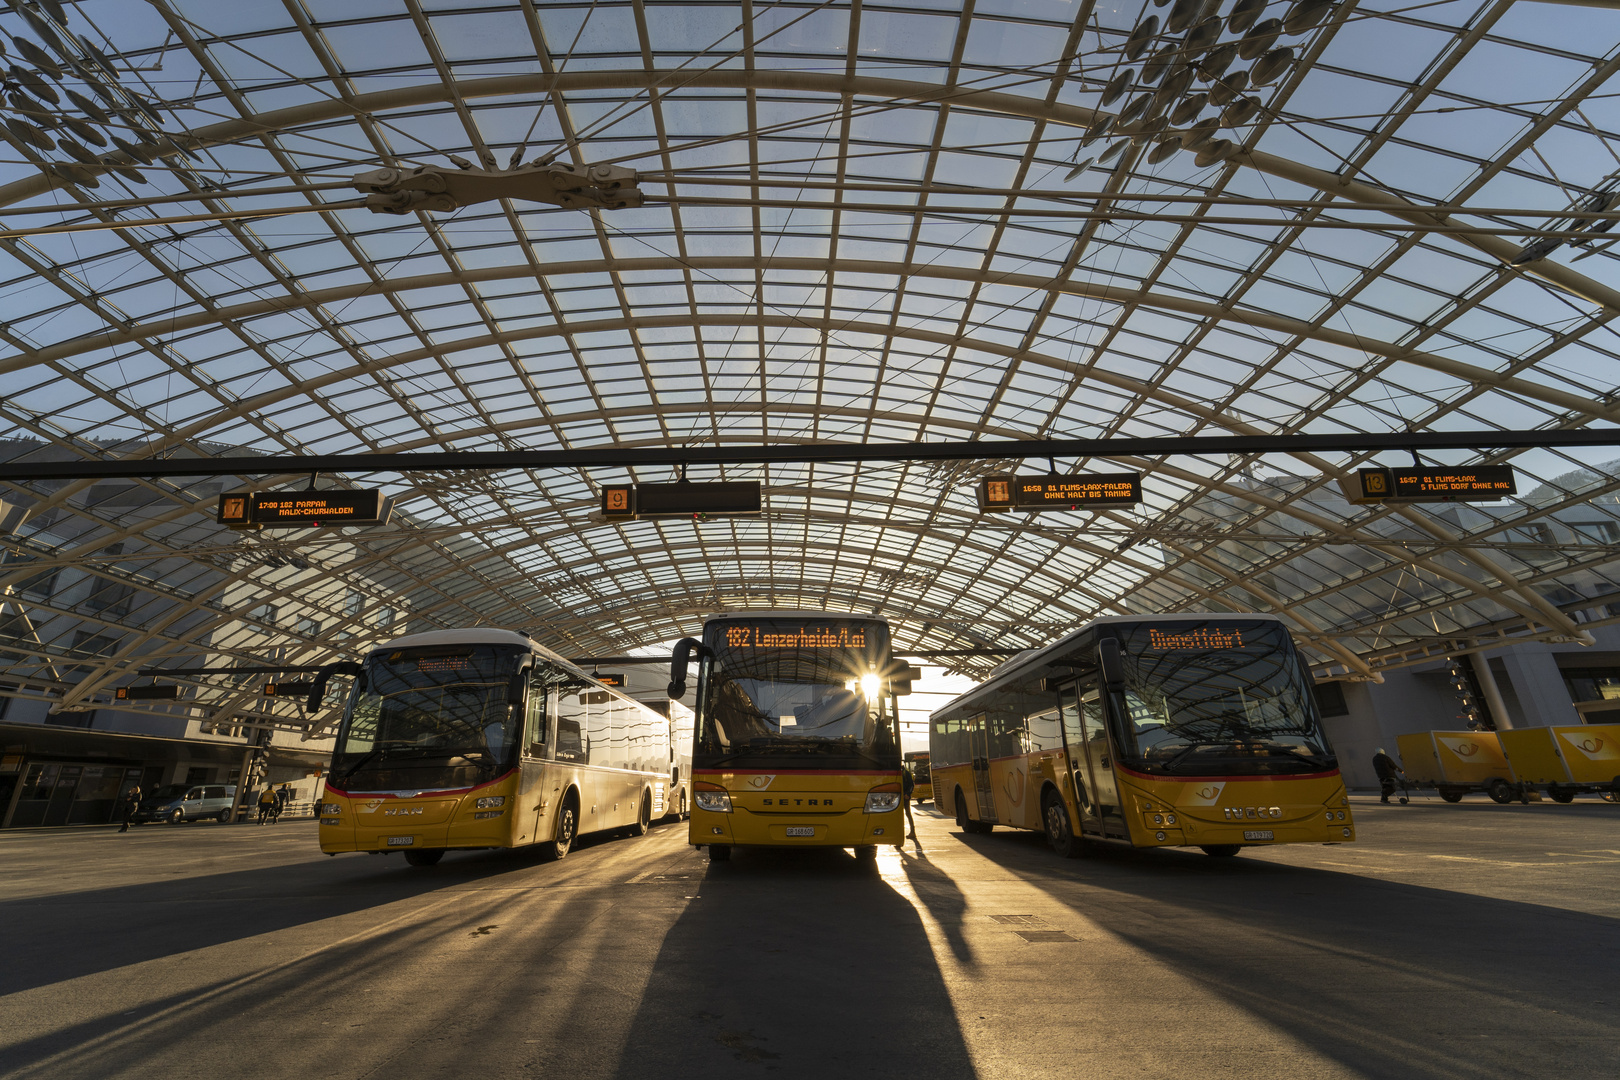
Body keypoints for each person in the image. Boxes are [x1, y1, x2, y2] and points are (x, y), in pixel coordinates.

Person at [901, 765, 919, 849]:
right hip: (898, 797)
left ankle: (912, 832)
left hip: (905, 797)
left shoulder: (905, 772)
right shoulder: (898, 772)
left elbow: (911, 784)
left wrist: (908, 794)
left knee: (908, 814)